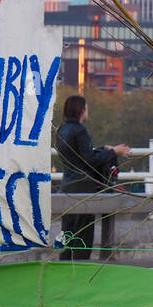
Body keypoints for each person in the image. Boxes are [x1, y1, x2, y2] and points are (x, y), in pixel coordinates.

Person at [55, 95, 130, 261]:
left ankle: (63, 275)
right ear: (82, 110)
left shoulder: (62, 129)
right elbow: (88, 160)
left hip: (67, 186)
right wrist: (113, 152)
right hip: (83, 188)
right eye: (86, 108)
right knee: (83, 239)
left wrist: (102, 149)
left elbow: (78, 157)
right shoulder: (80, 130)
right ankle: (80, 277)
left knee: (68, 236)